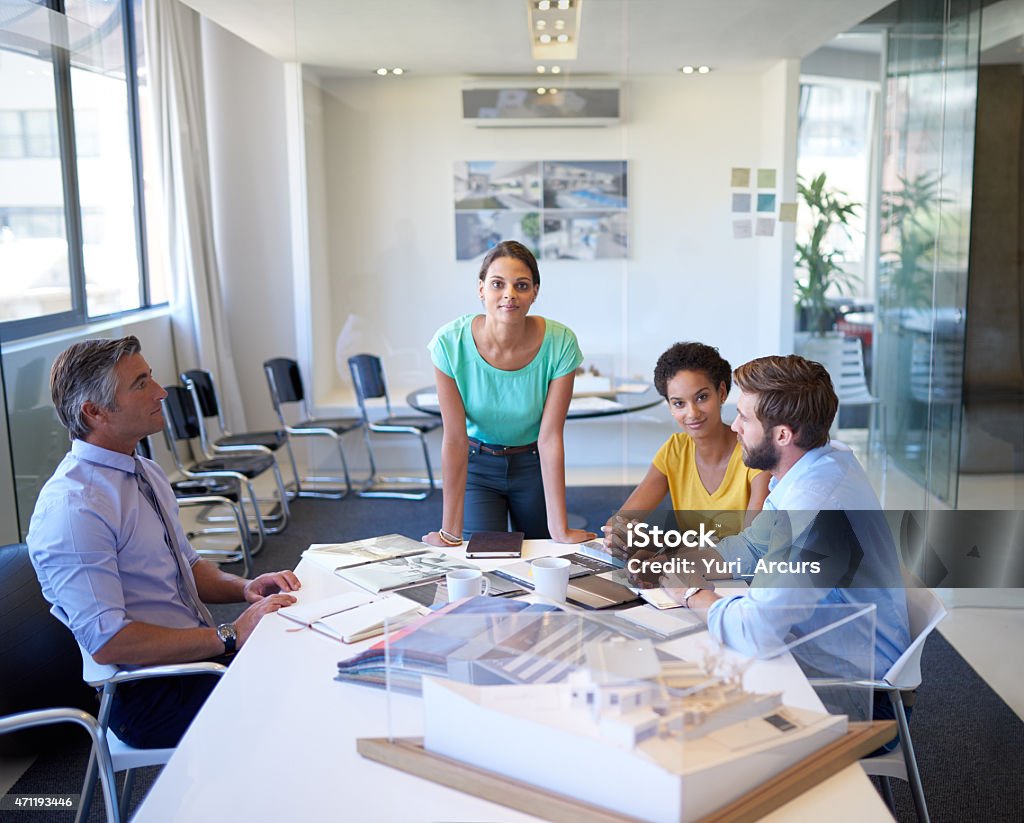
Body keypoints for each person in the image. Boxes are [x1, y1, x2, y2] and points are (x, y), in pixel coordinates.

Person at [27, 336, 300, 748]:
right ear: (94, 412)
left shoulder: (144, 471)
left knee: (310, 651)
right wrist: (229, 636)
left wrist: (244, 588)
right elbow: (110, 641)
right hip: (147, 694)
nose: (161, 392)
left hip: (195, 660)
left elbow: (187, 566)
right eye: (140, 383)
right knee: (303, 698)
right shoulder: (73, 508)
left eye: (151, 376)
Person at [656, 355, 910, 689]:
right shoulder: (822, 459)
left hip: (852, 683)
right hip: (817, 642)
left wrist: (690, 592)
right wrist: (674, 562)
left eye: (744, 418)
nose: (734, 427)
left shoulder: (815, 509)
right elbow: (752, 544)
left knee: (674, 675)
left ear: (783, 436)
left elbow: (756, 631)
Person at [422, 240, 594, 548]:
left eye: (521, 285)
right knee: (490, 559)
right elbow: (455, 439)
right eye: (497, 284)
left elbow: (550, 437)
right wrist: (449, 531)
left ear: (535, 292)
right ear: (481, 290)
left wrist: (560, 529)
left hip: (532, 463)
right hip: (479, 465)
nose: (509, 295)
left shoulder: (561, 343)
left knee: (548, 557)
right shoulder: (449, 344)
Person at [602, 342, 769, 542]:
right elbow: (619, 522)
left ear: (722, 393)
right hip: (687, 567)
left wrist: (659, 547)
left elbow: (751, 546)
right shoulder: (675, 450)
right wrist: (621, 534)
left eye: (702, 397)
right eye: (679, 403)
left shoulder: (756, 454)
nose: (692, 413)